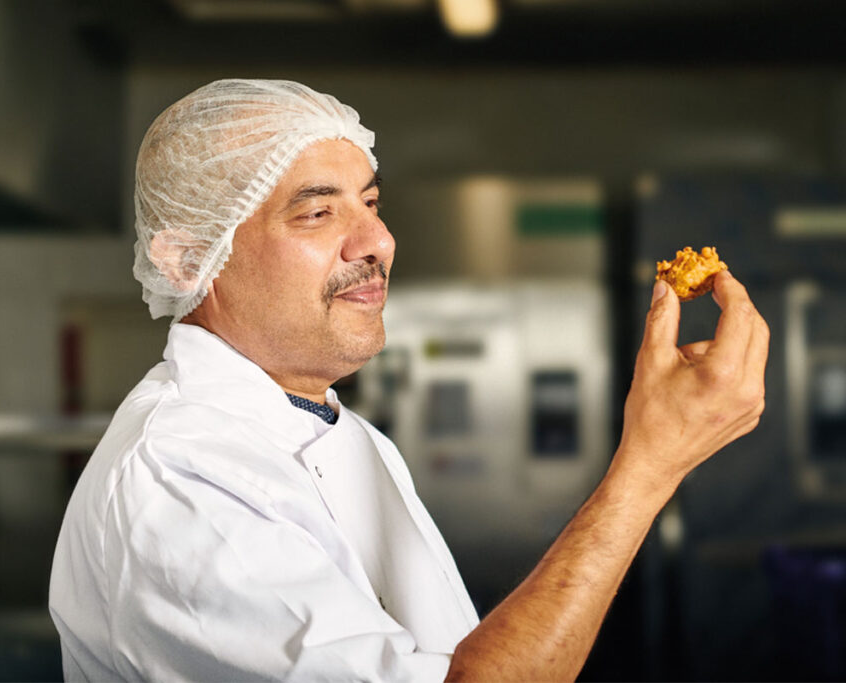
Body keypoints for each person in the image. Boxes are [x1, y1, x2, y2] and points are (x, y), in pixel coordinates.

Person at [49, 79, 768, 681]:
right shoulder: (179, 479)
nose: (378, 241)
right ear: (186, 261)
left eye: (371, 203)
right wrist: (649, 465)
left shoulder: (339, 431)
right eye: (317, 211)